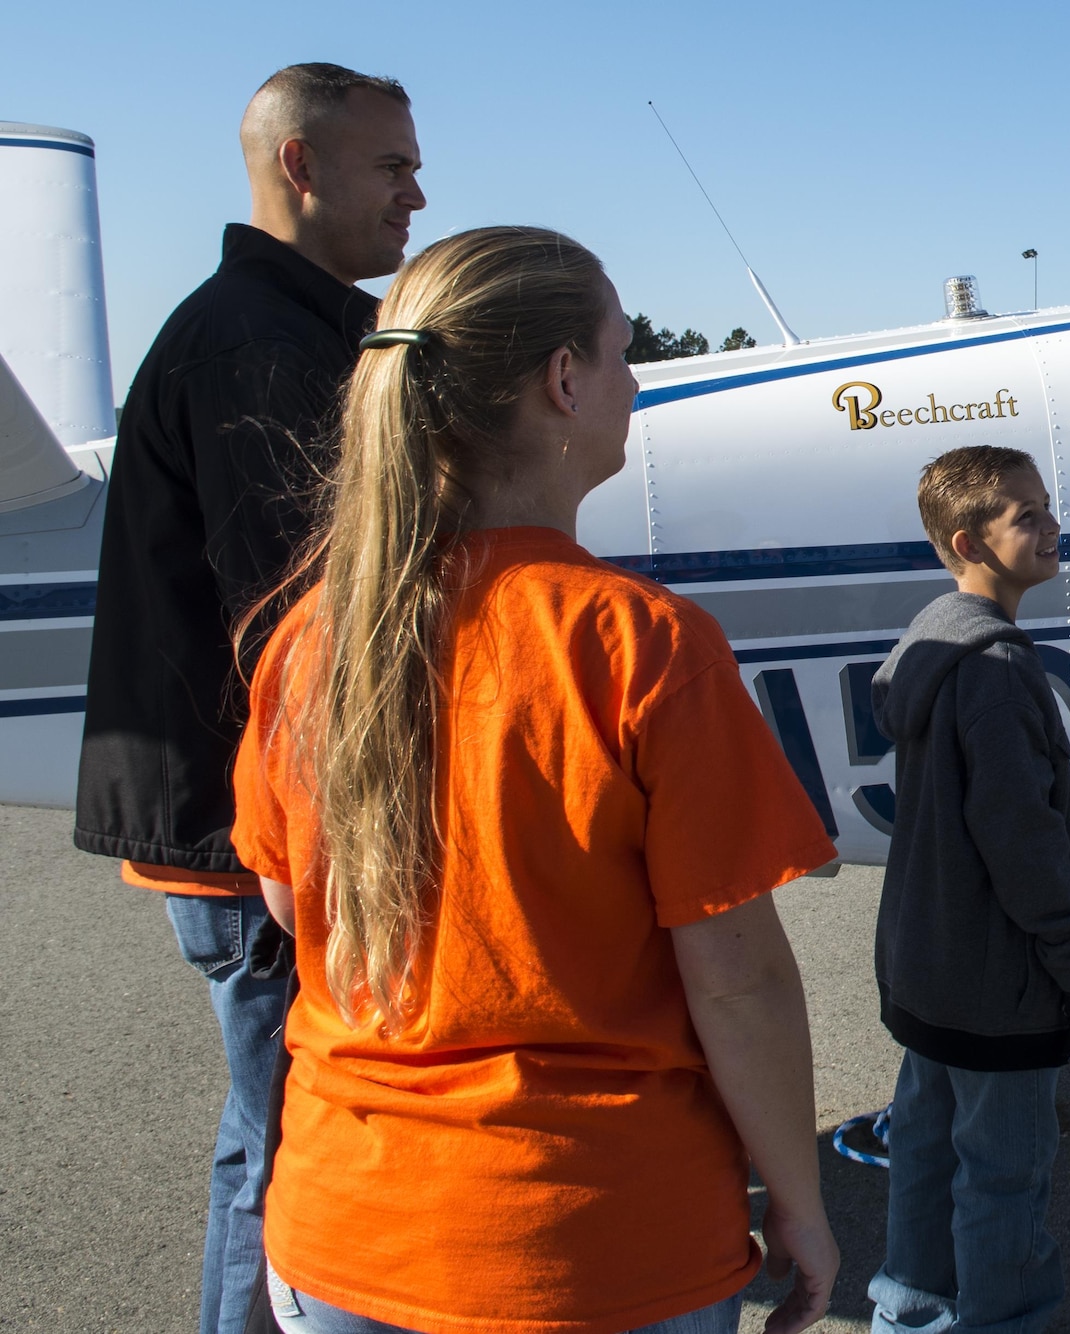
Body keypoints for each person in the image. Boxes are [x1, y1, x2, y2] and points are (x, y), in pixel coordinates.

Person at [230, 225, 841, 1334]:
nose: (634, 377)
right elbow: (738, 983)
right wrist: (799, 1202)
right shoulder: (643, 643)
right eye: (618, 352)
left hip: (339, 1232)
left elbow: (289, 902)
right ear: (563, 380)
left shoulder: (307, 641)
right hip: (592, 1251)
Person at [71, 62, 424, 1334]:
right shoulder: (260, 347)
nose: (417, 192)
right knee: (283, 1137)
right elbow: (305, 622)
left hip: (239, 823)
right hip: (255, 841)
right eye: (391, 165)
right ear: (300, 167)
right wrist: (335, 838)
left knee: (263, 1123)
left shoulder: (297, 326)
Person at [867, 446, 1070, 1334]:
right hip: (998, 986)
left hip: (926, 969)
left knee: (927, 1152)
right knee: (1004, 1174)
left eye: (1047, 508)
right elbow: (1025, 843)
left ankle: (911, 1309)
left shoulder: (933, 642)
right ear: (969, 541)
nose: (1050, 527)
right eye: (1026, 517)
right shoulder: (1000, 672)